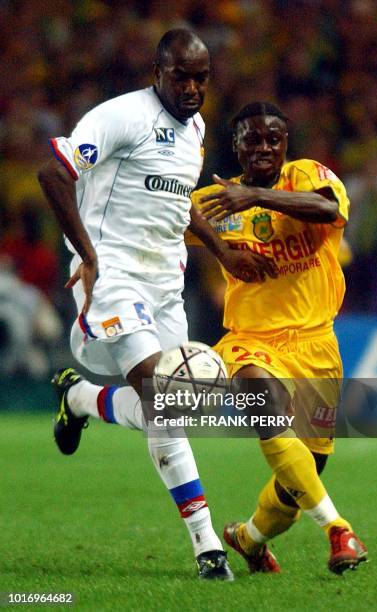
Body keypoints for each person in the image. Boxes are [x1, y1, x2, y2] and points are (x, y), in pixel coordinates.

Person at [38, 29, 270, 581]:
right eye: (181, 76)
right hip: (113, 275)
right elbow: (53, 172)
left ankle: (82, 398)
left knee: (176, 407)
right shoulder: (121, 116)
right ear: (157, 71)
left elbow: (176, 199)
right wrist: (88, 257)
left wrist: (223, 252)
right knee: (161, 397)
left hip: (166, 285)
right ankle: (208, 546)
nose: (192, 88)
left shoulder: (195, 128)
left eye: (201, 78)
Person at [191, 101, 368, 575]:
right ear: (236, 146)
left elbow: (327, 209)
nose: (264, 146)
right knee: (263, 404)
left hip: (316, 343)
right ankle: (338, 530)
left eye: (274, 138)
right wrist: (223, 252)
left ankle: (248, 538)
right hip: (252, 339)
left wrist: (257, 198)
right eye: (253, 138)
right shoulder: (218, 198)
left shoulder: (308, 175)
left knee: (302, 476)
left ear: (285, 144)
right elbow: (173, 216)